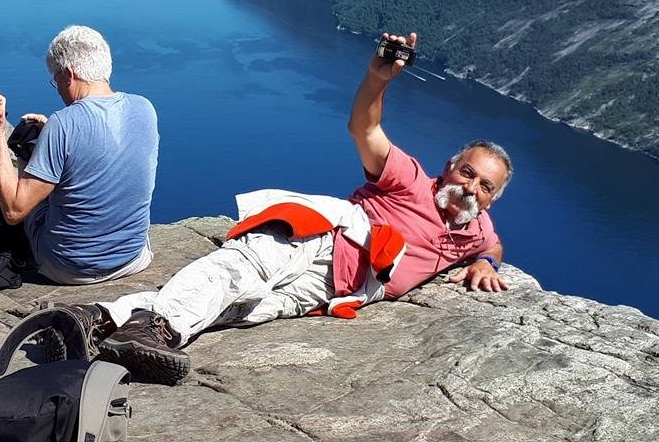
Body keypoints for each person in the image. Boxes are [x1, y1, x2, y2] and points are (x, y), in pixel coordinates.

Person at [53, 32, 511, 384]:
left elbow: (492, 244)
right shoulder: (409, 178)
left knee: (240, 305)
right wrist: (378, 79)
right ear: (449, 167)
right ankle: (153, 330)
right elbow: (365, 129)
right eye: (466, 173)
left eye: (485, 186)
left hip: (335, 288)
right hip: (320, 238)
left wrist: (487, 262)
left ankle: (99, 318)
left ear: (492, 199)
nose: (470, 188)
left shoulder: (475, 230)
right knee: (237, 272)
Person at [0, 25, 159, 284]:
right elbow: (99, 148)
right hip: (133, 258)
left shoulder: (63, 124)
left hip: (70, 268)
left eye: (56, 79)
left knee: (24, 209)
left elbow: (14, 211)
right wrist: (49, 139)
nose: (58, 88)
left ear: (69, 74)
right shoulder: (144, 108)